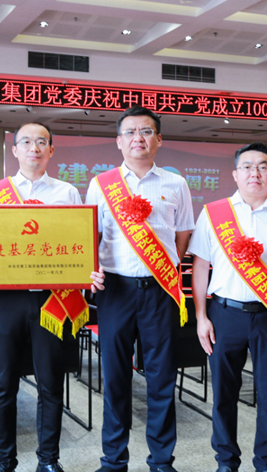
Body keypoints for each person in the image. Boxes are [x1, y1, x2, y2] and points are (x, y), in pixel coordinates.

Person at [0, 122, 100, 472]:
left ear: (51, 150)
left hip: (52, 300)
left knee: (51, 384)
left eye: (42, 142)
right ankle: (4, 461)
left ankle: (48, 460)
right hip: (7, 300)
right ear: (15, 149)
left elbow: (80, 245)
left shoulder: (67, 192)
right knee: (3, 384)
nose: (34, 148)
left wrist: (89, 271)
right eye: (27, 142)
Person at [85, 106, 194, 472]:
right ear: (119, 141)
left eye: (146, 131)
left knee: (162, 377)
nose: (138, 138)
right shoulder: (101, 184)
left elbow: (182, 235)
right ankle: (114, 460)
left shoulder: (176, 184)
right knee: (115, 377)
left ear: (158, 139)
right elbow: (91, 236)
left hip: (160, 290)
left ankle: (161, 461)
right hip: (115, 290)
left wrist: (162, 266)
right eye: (130, 132)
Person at [190, 142, 267, 472]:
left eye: (262, 166)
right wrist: (201, 317)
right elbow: (200, 268)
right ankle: (226, 462)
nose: (254, 173)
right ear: (235, 174)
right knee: (223, 395)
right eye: (247, 166)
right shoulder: (213, 213)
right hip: (224, 315)